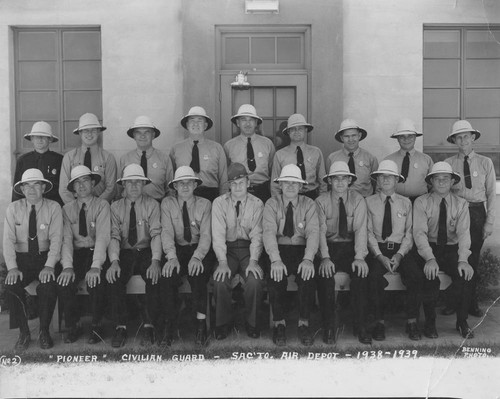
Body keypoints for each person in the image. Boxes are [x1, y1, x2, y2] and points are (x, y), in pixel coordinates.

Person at [413, 162, 474, 339]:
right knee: (429, 276)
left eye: (445, 178)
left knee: (466, 275)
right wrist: (429, 258)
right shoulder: (421, 202)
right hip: (428, 247)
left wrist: (463, 259)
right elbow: (419, 233)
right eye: (437, 179)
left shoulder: (461, 204)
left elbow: (464, 234)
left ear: (452, 181)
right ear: (431, 181)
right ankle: (430, 323)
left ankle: (462, 321)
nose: (441, 182)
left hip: (450, 248)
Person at [4, 168, 62, 349]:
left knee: (49, 285)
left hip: (46, 258)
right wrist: (12, 267)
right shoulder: (13, 208)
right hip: (22, 260)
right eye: (27, 185)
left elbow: (56, 240)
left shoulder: (53, 207)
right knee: (11, 285)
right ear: (21, 190)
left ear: (43, 187)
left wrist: (50, 266)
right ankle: (24, 332)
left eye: (36, 184)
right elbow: (7, 241)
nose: (31, 189)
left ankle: (44, 331)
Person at [443, 120, 496, 318]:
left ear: (473, 138)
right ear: (454, 140)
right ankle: (454, 301)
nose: (463, 140)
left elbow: (491, 193)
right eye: (459, 137)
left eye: (466, 136)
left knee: (472, 260)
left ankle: (470, 303)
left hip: (476, 213)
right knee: (453, 256)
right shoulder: (449, 163)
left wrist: (489, 221)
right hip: (454, 213)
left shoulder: (485, 162)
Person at [106, 164, 162, 347]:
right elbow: (114, 236)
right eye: (129, 182)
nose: (134, 186)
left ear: (143, 184)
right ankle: (120, 327)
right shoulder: (115, 207)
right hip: (124, 252)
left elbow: (155, 234)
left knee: (154, 277)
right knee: (114, 278)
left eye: (138, 182)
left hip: (145, 250)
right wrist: (114, 261)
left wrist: (155, 261)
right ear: (123, 185)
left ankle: (149, 325)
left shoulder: (152, 204)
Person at [316, 161, 371, 344]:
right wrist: (325, 257)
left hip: (351, 246)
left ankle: (361, 325)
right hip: (329, 247)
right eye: (335, 179)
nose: (340, 182)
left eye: (343, 178)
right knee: (325, 276)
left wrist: (359, 257)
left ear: (349, 180)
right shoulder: (321, 201)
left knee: (361, 275)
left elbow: (361, 230)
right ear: (330, 181)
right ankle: (329, 327)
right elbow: (320, 233)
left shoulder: (358, 200)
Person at [263, 164, 319, 346]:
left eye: (294, 183)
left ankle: (304, 323)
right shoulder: (272, 203)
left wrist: (309, 259)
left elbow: (313, 232)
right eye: (286, 182)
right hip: (278, 250)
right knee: (275, 277)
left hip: (302, 251)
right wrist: (276, 260)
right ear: (279, 184)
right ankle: (279, 323)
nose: (290, 186)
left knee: (308, 277)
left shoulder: (309, 204)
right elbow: (269, 232)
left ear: (301, 186)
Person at [366, 160, 421, 341]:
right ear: (377, 181)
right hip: (378, 250)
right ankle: (379, 322)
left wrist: (399, 255)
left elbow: (410, 233)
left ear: (397, 180)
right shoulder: (368, 202)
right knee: (373, 277)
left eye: (390, 176)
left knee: (415, 275)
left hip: (400, 250)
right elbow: (367, 232)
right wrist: (379, 256)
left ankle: (412, 321)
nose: (386, 179)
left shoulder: (406, 203)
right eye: (382, 176)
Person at [211, 163, 265, 340]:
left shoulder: (257, 203)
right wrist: (222, 262)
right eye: (233, 184)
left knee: (255, 280)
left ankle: (253, 323)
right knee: (220, 279)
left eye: (241, 182)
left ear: (248, 183)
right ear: (228, 185)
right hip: (228, 251)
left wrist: (254, 261)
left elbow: (257, 234)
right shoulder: (219, 203)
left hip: (249, 250)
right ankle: (222, 323)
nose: (237, 187)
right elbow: (218, 235)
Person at [57, 165, 110, 344]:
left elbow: (102, 237)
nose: (81, 186)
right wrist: (67, 267)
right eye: (77, 183)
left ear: (93, 183)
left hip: (97, 252)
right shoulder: (66, 209)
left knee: (97, 280)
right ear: (73, 188)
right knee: (65, 281)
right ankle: (74, 325)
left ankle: (97, 325)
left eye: (85, 181)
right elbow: (66, 240)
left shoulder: (102, 205)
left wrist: (96, 266)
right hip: (77, 254)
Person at [160, 166, 212, 347]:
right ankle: (169, 325)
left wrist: (197, 257)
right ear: (174, 186)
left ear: (195, 185)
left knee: (198, 274)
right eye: (180, 184)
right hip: (178, 250)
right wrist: (171, 257)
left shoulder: (205, 204)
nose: (184, 187)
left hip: (199, 249)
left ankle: (200, 325)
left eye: (188, 183)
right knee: (167, 276)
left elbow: (206, 235)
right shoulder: (167, 204)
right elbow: (166, 232)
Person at [170, 106, 228, 202]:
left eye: (200, 120)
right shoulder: (176, 149)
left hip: (210, 195)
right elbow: (171, 177)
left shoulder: (217, 148)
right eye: (192, 120)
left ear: (205, 126)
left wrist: (223, 201)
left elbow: (223, 179)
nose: (195, 124)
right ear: (187, 125)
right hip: (183, 195)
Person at [59, 113, 117, 204]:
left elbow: (111, 188)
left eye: (93, 130)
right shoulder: (69, 157)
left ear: (98, 132)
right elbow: (63, 189)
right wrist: (74, 208)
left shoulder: (108, 157)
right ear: (80, 133)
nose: (89, 134)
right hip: (75, 206)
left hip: (100, 206)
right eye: (85, 131)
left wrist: (97, 206)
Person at [224, 104, 275, 204]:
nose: (247, 124)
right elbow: (225, 174)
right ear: (238, 123)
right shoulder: (229, 146)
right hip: (238, 192)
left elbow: (273, 170)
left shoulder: (267, 144)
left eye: (251, 120)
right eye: (243, 120)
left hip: (263, 191)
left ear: (256, 123)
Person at [271, 113, 327, 200]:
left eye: (300, 129)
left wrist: (321, 200)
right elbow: (275, 185)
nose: (297, 132)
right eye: (293, 129)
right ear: (288, 132)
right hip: (288, 196)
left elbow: (322, 181)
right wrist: (278, 203)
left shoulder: (316, 152)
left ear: (306, 130)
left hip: (312, 196)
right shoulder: (280, 154)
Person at [119, 115, 174, 202]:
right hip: (131, 206)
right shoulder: (125, 159)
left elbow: (171, 189)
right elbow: (119, 188)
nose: (142, 136)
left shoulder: (164, 159)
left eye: (147, 132)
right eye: (138, 132)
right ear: (134, 135)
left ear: (153, 135)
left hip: (158, 205)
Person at [12, 121, 64, 206]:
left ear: (50, 139)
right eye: (36, 137)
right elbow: (17, 190)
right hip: (28, 206)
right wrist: (16, 209)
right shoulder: (22, 160)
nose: (40, 140)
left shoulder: (59, 160)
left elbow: (63, 188)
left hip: (53, 206)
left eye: (43, 137)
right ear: (31, 139)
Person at [383, 119, 433, 202]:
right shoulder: (388, 160)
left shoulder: (426, 160)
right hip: (395, 202)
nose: (406, 140)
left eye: (410, 136)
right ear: (397, 138)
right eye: (402, 137)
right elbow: (380, 185)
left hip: (421, 202)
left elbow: (433, 185)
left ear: (415, 137)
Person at [326, 119, 378, 198]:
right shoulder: (332, 158)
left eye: (354, 135)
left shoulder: (370, 158)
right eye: (346, 136)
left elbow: (377, 184)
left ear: (359, 136)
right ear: (342, 138)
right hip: (340, 200)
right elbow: (329, 184)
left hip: (365, 200)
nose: (351, 139)